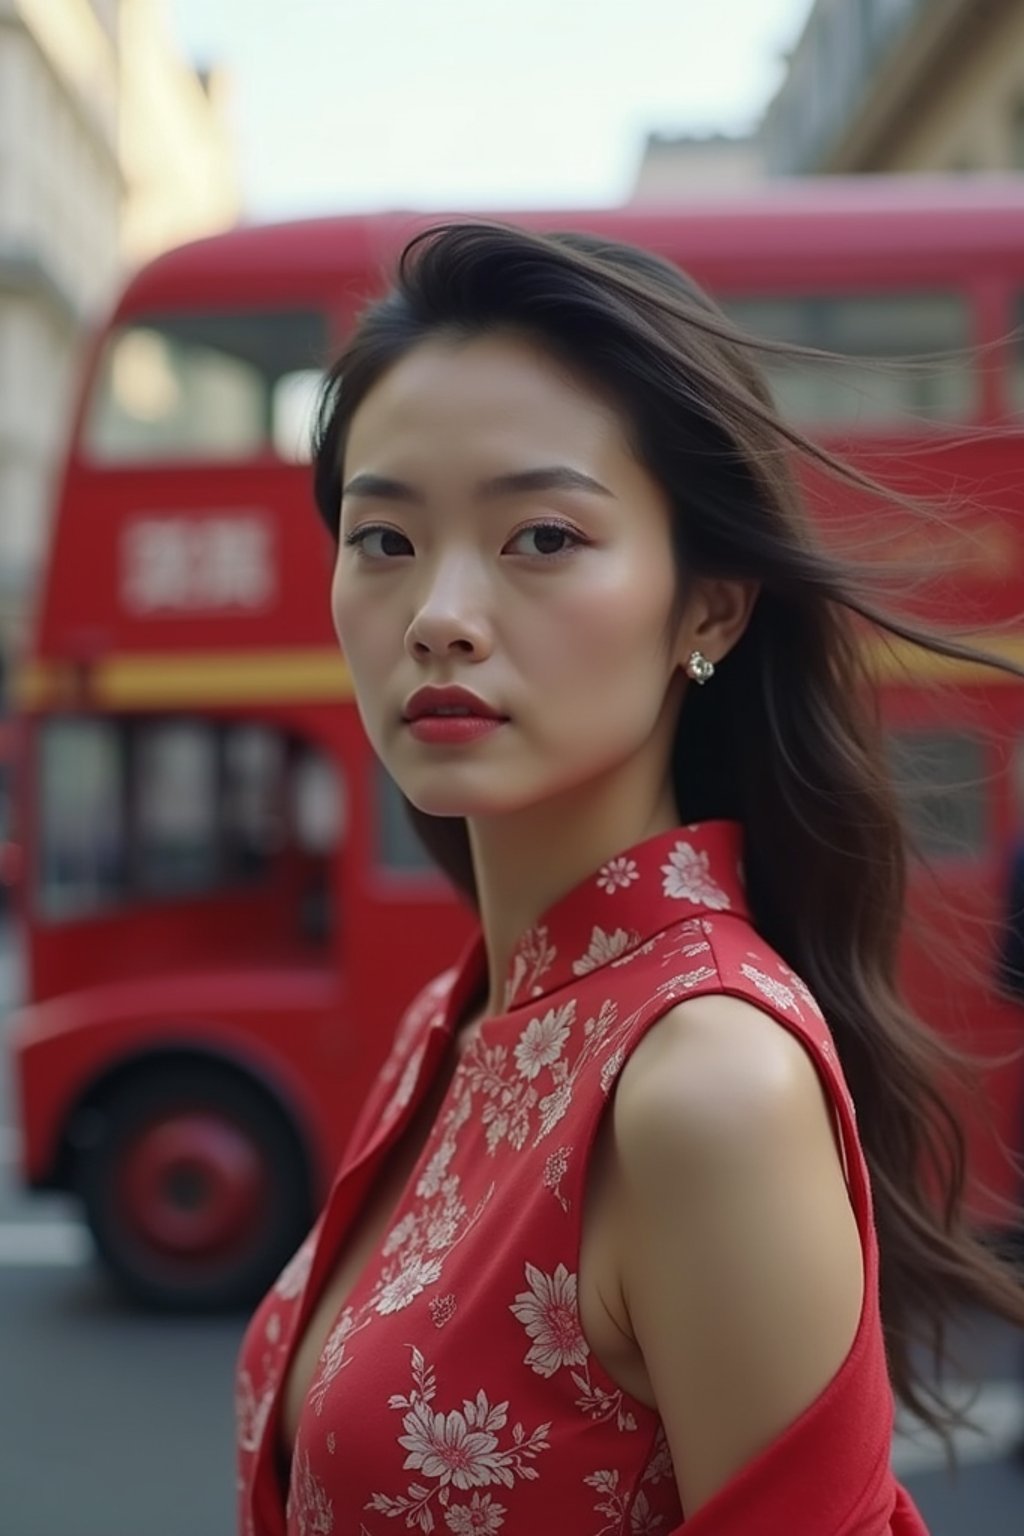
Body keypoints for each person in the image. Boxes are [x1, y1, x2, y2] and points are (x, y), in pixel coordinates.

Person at [235, 223, 1024, 1535]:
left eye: (541, 536)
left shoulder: (706, 1085)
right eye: (383, 540)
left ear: (709, 607)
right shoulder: (470, 1018)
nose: (439, 611)